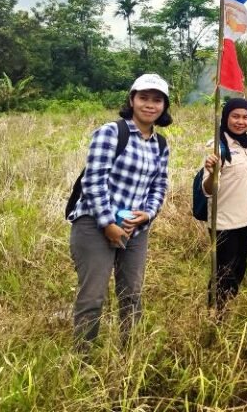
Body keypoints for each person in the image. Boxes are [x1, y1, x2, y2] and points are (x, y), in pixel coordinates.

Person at [68, 73, 172, 350]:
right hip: (95, 224)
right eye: (144, 98)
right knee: (92, 298)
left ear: (164, 106)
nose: (150, 105)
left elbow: (159, 186)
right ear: (132, 100)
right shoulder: (112, 132)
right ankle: (83, 362)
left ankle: (130, 358)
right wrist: (107, 224)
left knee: (132, 295)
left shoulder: (161, 145)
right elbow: (93, 179)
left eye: (157, 100)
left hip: (134, 229)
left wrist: (148, 214)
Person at [202, 98, 247, 309]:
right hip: (223, 221)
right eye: (235, 116)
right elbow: (207, 190)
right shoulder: (216, 147)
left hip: (246, 219)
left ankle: (229, 306)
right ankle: (215, 313)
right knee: (223, 271)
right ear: (225, 118)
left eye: (245, 117)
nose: (240, 121)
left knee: (240, 267)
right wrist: (212, 174)